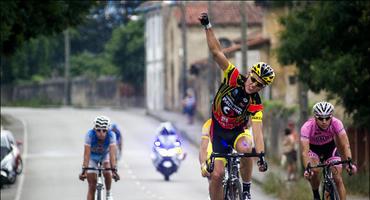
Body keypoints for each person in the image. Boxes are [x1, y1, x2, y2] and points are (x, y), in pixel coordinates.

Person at [199, 12, 275, 200]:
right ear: (249, 74)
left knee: (248, 148)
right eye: (253, 79)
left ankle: (246, 190)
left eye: (259, 85)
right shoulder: (233, 77)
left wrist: (262, 155)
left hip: (236, 133)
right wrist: (208, 26)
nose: (253, 85)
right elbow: (217, 52)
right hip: (218, 132)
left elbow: (257, 131)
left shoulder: (255, 102)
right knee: (216, 175)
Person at [301, 101, 357, 200]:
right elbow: (305, 151)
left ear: (331, 116)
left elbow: (345, 144)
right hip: (314, 150)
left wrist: (349, 163)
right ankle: (316, 194)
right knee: (315, 171)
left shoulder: (336, 123)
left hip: (330, 149)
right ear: (315, 117)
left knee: (338, 178)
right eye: (320, 118)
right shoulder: (307, 127)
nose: (324, 121)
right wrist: (307, 169)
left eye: (327, 118)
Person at [199, 118, 255, 199]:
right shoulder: (209, 124)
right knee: (214, 173)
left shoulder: (239, 120)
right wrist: (203, 165)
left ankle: (238, 190)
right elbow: (203, 147)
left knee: (243, 151)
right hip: (217, 145)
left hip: (236, 141)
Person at [79, 116, 120, 200]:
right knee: (92, 186)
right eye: (98, 130)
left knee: (108, 171)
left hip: (105, 155)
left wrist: (114, 170)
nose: (101, 133)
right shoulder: (89, 135)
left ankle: (108, 193)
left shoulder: (112, 135)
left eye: (104, 130)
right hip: (92, 157)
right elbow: (86, 155)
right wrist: (84, 170)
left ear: (108, 130)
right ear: (94, 129)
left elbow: (112, 155)